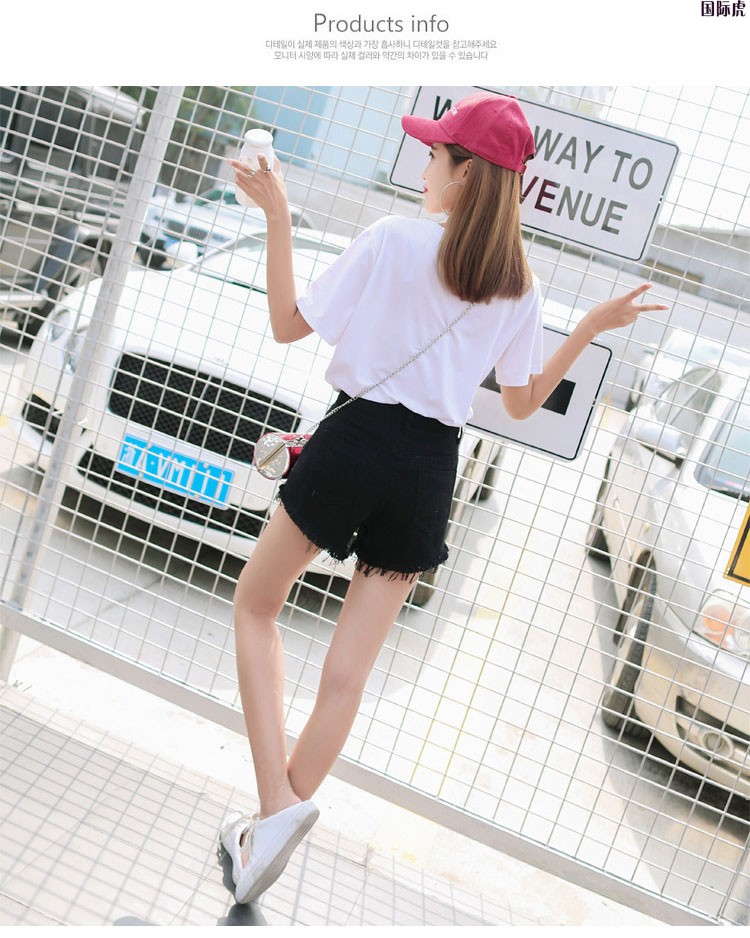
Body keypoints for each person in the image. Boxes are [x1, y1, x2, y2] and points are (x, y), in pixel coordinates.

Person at [218, 92, 668, 905]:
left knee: (256, 604)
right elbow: (522, 405)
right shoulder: (519, 286)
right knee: (348, 676)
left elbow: (288, 324)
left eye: (434, 153)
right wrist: (588, 328)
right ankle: (262, 839)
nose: (425, 165)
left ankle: (277, 804)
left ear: (462, 172)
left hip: (355, 441)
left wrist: (279, 216)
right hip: (430, 470)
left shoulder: (393, 238)